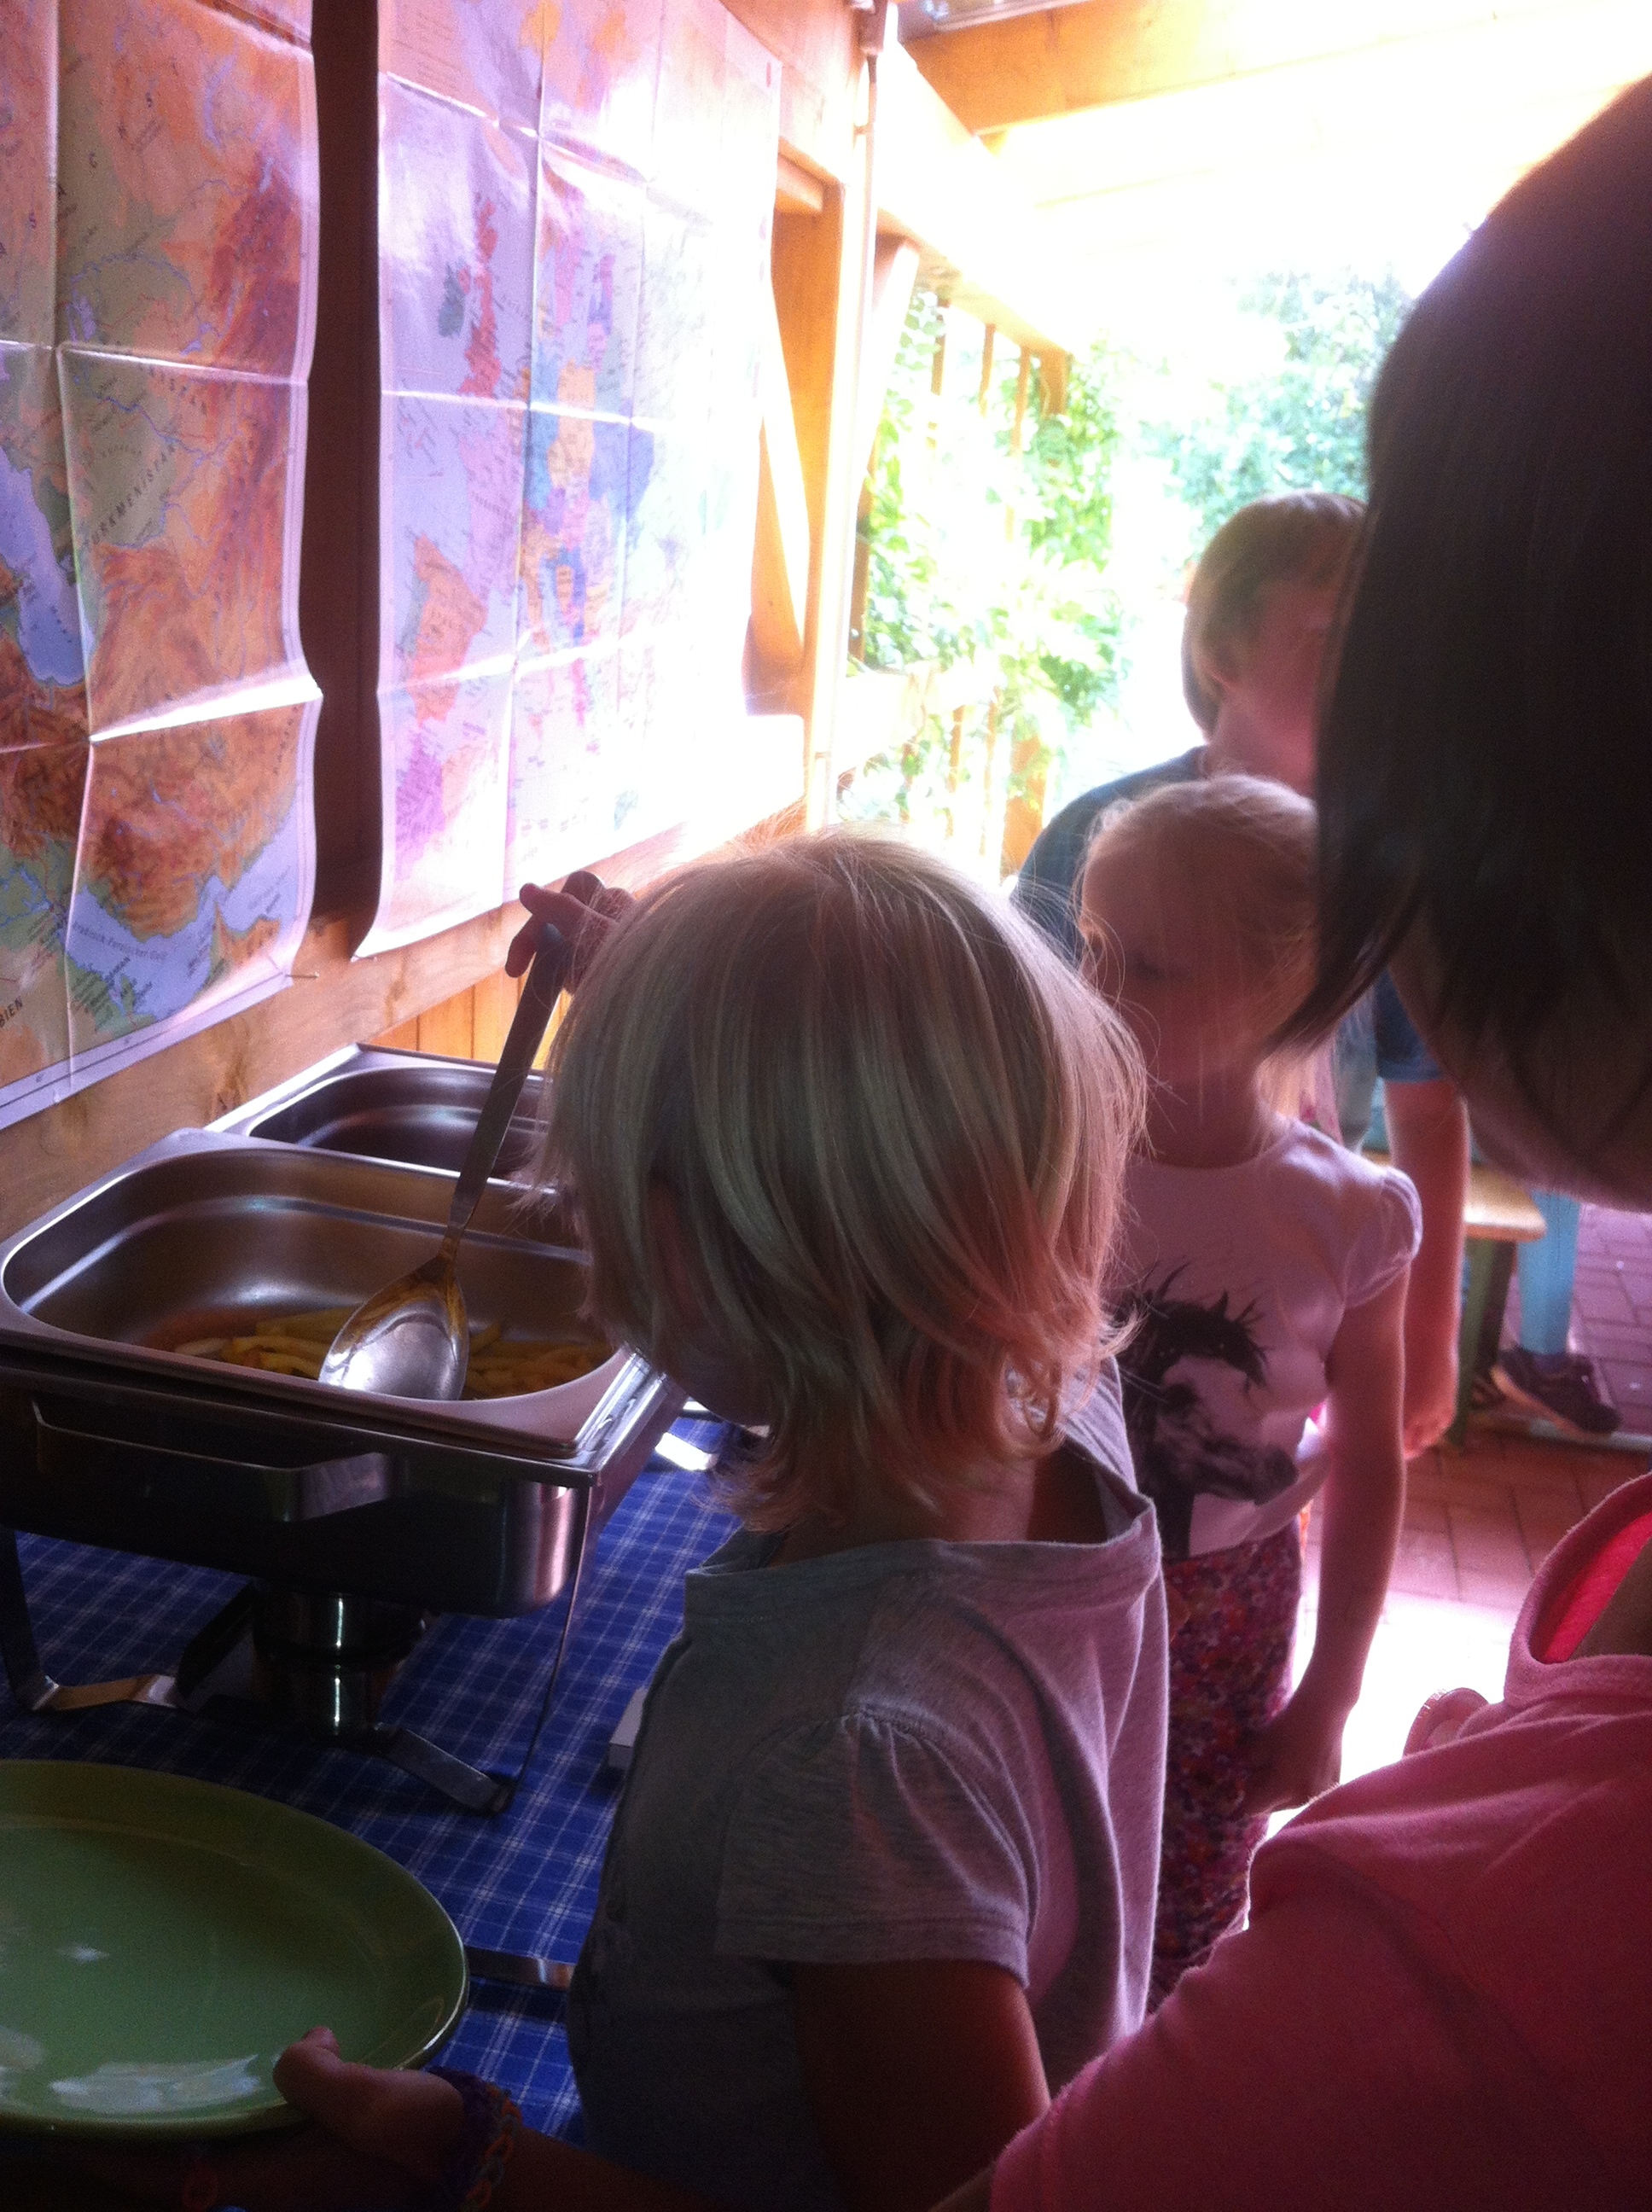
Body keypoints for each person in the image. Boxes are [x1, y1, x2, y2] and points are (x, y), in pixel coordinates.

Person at [106, 838, 1164, 2212]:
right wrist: (678, 1004)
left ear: (682, 1252)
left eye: (586, 1204)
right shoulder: (1049, 1393)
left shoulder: (855, 1766)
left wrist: (467, 2167)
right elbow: (907, 1108)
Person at [1014, 494, 1469, 1456]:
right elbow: (1013, 1068)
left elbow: (1428, 1113)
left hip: (1285, 1287)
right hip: (1086, 1277)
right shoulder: (1097, 839)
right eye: (1336, 640)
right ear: (1222, 648)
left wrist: (1428, 1336)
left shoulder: (1388, 878)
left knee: (1243, 1484)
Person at [1079, 777, 1417, 2001]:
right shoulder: (1045, 1154)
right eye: (1090, 948)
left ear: (1287, 992)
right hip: (1042, 1576)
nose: (1094, 990)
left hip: (1226, 1615)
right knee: (1029, 1866)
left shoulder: (1350, 1216)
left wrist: (1333, 1689)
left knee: (1186, 1891)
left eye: (1147, 967)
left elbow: (1370, 1463)